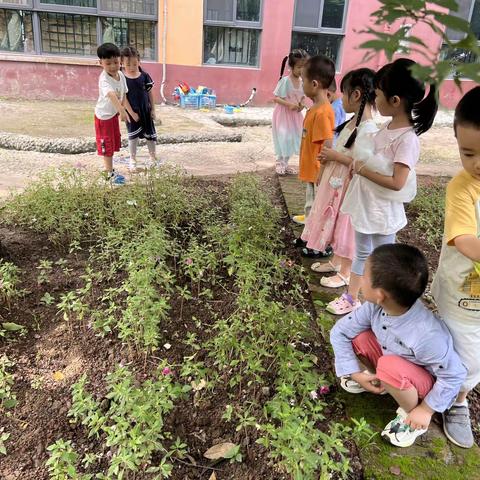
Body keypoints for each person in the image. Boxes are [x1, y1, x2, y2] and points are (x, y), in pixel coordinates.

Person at [327, 58, 438, 315]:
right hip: (366, 204)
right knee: (362, 252)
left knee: (383, 260)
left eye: (377, 95)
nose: (374, 100)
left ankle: (378, 305)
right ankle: (352, 297)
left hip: (382, 211)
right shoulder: (386, 127)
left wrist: (362, 169)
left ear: (395, 100)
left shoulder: (407, 139)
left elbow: (398, 182)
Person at [330, 244, 467, 448]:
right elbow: (340, 331)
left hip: (423, 386)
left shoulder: (427, 336)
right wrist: (354, 372)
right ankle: (380, 382)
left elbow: (454, 374)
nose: (359, 277)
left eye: (364, 276)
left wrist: (426, 410)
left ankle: (410, 415)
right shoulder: (375, 307)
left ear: (380, 295)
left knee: (388, 366)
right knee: (358, 336)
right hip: (394, 365)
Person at [431, 86, 480, 449]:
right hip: (462, 295)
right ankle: (456, 399)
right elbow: (463, 240)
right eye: (468, 153)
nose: (477, 163)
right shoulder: (463, 188)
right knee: (461, 350)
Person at [298, 68, 378, 286]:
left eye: (344, 92)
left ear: (356, 95)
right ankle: (335, 261)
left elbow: (362, 165)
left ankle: (346, 271)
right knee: (333, 222)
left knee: (345, 227)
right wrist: (330, 159)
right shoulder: (353, 122)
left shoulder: (368, 129)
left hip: (348, 188)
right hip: (336, 183)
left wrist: (335, 156)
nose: (340, 97)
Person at [291, 55, 336, 226]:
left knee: (316, 203)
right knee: (311, 200)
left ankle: (312, 234)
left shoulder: (323, 112)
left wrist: (322, 171)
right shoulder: (315, 109)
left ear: (314, 84)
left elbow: (328, 143)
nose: (302, 85)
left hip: (317, 170)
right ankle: (310, 224)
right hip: (312, 167)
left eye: (303, 81)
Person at [94, 43, 137, 185]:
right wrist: (121, 110)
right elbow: (112, 95)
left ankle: (110, 169)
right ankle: (109, 173)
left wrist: (125, 111)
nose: (113, 66)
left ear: (120, 61)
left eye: (116, 62)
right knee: (106, 144)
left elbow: (123, 93)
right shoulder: (104, 79)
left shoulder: (120, 75)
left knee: (112, 143)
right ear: (100, 63)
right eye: (108, 63)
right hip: (103, 117)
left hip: (113, 115)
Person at [120, 46, 158, 172]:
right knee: (133, 137)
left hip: (145, 111)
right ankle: (133, 159)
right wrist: (131, 113)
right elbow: (123, 98)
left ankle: (153, 158)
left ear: (139, 62)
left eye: (134, 64)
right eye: (128, 64)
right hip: (132, 113)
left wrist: (153, 110)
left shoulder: (144, 76)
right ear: (122, 63)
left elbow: (150, 94)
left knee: (150, 135)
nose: (131, 67)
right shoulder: (122, 78)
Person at [272, 49, 309, 176]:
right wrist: (289, 105)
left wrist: (302, 105)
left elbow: (303, 97)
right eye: (299, 67)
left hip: (295, 116)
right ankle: (279, 163)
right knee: (284, 138)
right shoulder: (285, 81)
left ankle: (286, 164)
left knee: (294, 138)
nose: (302, 70)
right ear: (291, 67)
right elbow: (276, 98)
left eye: (304, 67)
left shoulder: (303, 82)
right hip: (283, 114)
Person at [327, 78, 347, 143]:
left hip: (331, 144)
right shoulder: (341, 103)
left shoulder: (332, 109)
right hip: (337, 141)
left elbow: (330, 131)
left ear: (328, 95)